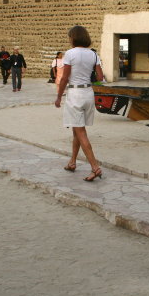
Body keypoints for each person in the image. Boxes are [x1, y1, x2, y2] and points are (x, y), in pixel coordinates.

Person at [54, 25, 103, 182]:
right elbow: (100, 77)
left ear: (73, 37)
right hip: (88, 93)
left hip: (75, 94)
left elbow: (64, 78)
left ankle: (95, 167)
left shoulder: (70, 54)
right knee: (77, 129)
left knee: (80, 132)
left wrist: (58, 96)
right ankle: (72, 162)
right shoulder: (94, 55)